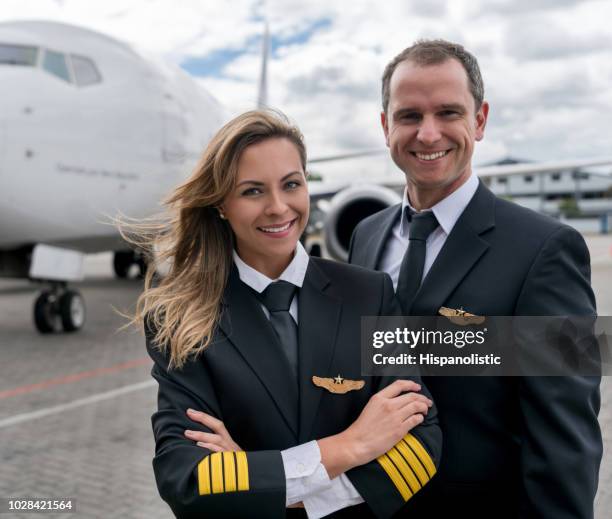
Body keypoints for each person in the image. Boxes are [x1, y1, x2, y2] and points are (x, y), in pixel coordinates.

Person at [131, 110, 442, 518]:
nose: (278, 208)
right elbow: (187, 478)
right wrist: (351, 446)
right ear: (221, 205)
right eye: (253, 191)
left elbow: (422, 442)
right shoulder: (180, 320)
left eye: (291, 185)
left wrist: (275, 489)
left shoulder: (370, 294)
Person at [349, 39, 602, 518]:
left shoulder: (546, 250)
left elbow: (566, 438)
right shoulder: (367, 234)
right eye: (408, 116)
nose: (428, 134)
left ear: (479, 121)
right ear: (385, 126)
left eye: (448, 112)